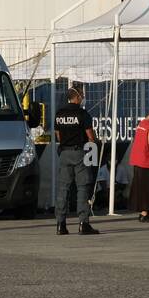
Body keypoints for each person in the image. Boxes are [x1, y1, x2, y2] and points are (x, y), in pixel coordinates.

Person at [55, 86, 100, 235]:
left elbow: (58, 136)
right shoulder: (82, 114)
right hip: (80, 152)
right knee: (83, 186)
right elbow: (90, 137)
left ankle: (60, 224)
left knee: (63, 188)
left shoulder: (59, 114)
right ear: (78, 96)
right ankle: (83, 223)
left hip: (64, 153)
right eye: (82, 95)